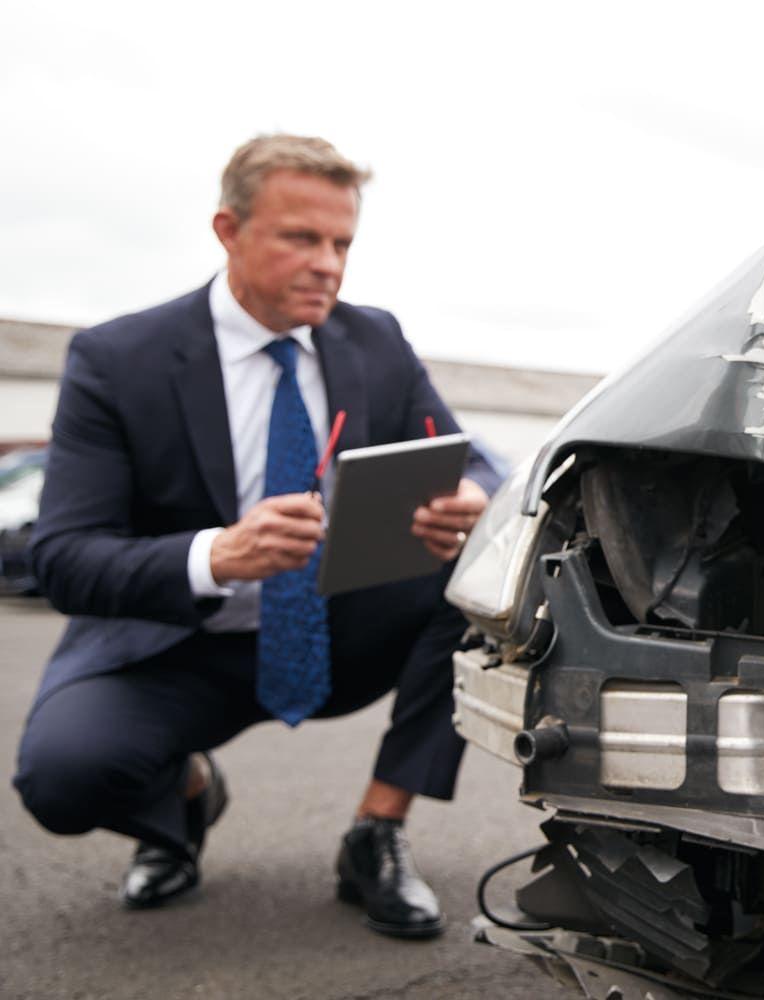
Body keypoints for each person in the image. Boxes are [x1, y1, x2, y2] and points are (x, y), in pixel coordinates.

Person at [11, 135, 501, 939]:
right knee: (62, 778)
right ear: (228, 230)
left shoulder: (375, 340)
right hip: (178, 647)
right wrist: (217, 553)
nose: (328, 265)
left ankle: (376, 830)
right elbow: (63, 560)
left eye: (342, 243)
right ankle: (188, 796)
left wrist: (472, 493)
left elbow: (468, 455)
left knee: (471, 584)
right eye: (300, 238)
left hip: (335, 630)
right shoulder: (117, 360)